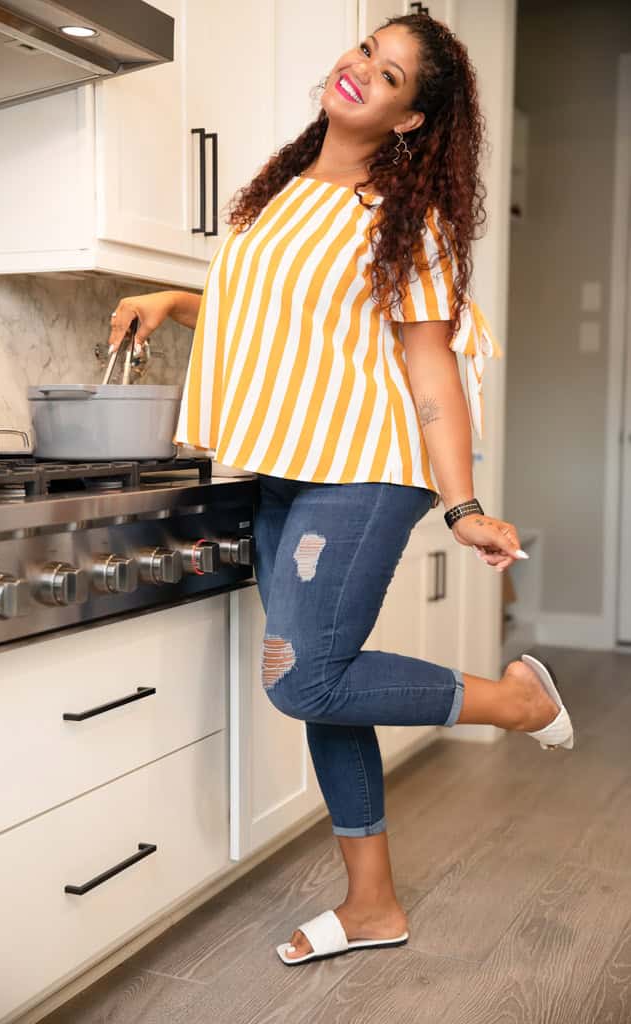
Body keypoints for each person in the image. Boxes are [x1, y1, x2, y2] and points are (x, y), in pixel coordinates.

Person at [108, 12, 574, 967]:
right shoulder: (281, 190)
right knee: (325, 689)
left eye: (390, 75)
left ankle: (519, 704)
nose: (361, 70)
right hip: (285, 469)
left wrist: (462, 506)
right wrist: (176, 300)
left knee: (305, 676)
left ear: (408, 120)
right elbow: (275, 316)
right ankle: (373, 906)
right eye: (367, 50)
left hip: (362, 471)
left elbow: (432, 373)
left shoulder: (408, 222)